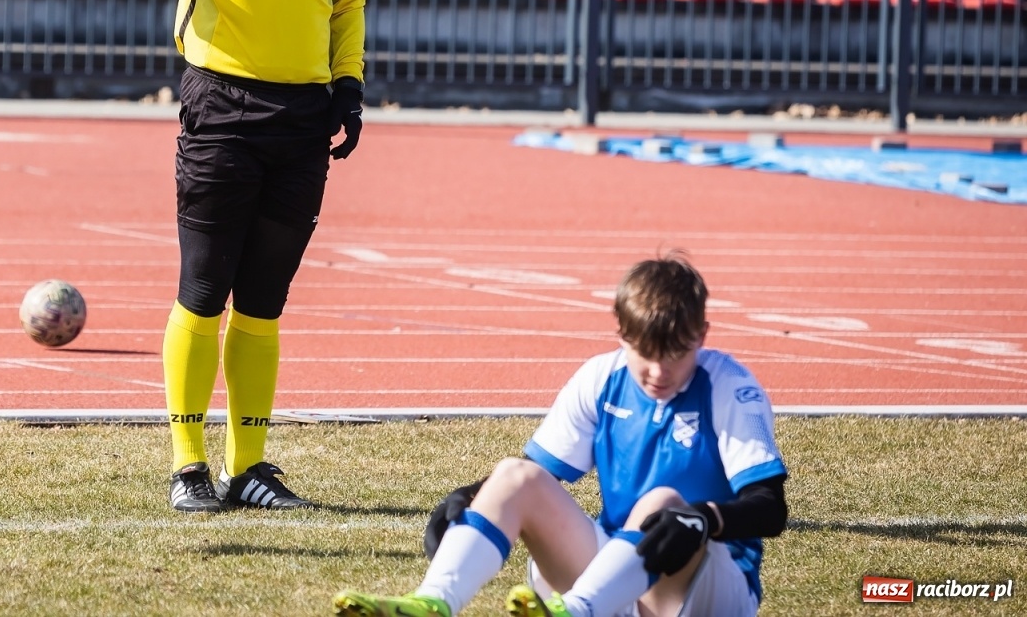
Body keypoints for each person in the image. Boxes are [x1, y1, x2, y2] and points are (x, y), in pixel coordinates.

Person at [69, 0, 366, 513]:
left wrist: (349, 83)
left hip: (302, 122)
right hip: (222, 112)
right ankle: (188, 465)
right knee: (204, 291)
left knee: (265, 301)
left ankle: (252, 467)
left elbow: (347, 1)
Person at [333, 253, 788, 617]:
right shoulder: (600, 376)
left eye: (676, 353)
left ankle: (576, 611)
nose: (657, 371)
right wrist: (470, 495)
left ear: (702, 335)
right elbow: (535, 475)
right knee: (512, 476)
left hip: (709, 590)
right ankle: (434, 602)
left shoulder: (730, 386)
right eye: (644, 352)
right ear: (621, 335)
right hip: (617, 579)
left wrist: (704, 518)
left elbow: (770, 509)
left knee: (661, 503)